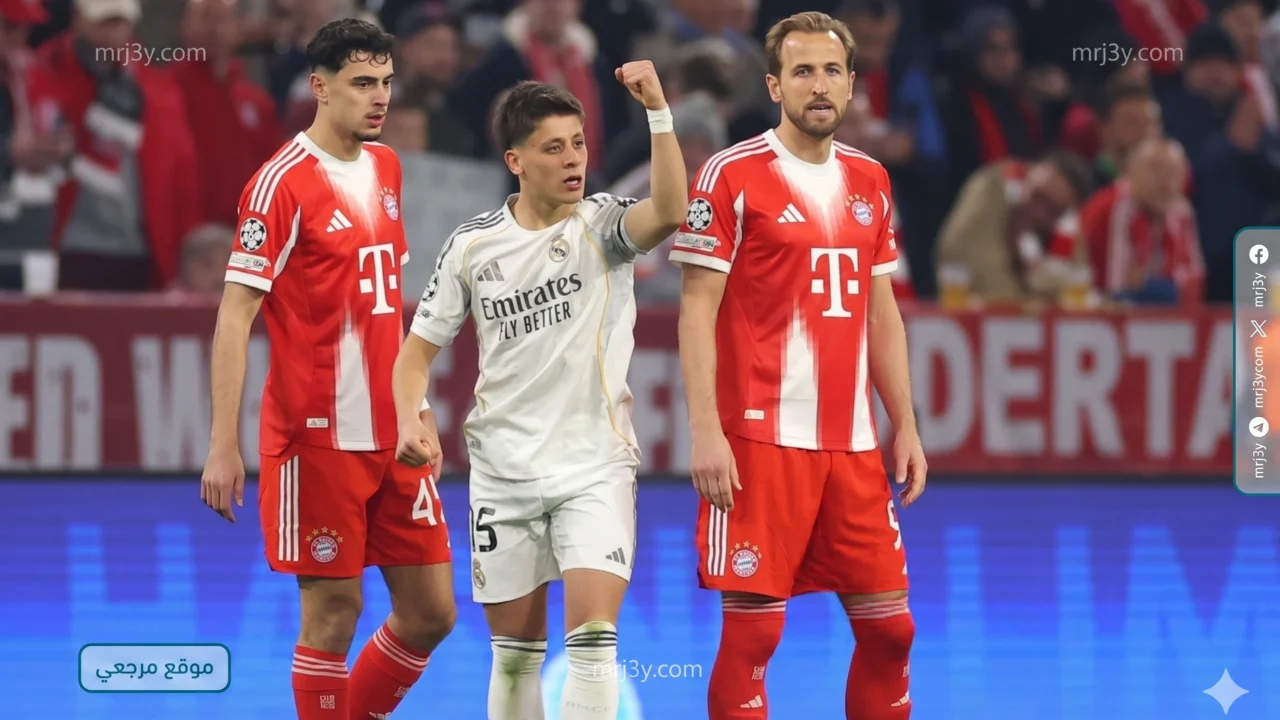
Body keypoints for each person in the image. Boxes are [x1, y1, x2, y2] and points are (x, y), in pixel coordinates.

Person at [392, 69, 688, 718]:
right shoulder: (472, 246)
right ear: (515, 161)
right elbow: (415, 355)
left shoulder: (603, 225)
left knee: (594, 643)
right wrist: (412, 416)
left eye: (578, 143)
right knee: (516, 656)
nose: (573, 159)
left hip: (594, 466)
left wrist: (659, 112)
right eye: (554, 147)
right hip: (503, 473)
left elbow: (669, 210)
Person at [670, 11, 927, 719]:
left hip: (852, 447)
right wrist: (706, 430)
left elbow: (881, 314)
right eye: (803, 71)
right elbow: (696, 309)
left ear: (851, 84)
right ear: (774, 86)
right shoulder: (731, 175)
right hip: (761, 443)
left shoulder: (871, 179)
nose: (819, 85)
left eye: (832, 71)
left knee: (892, 632)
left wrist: (904, 424)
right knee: (755, 638)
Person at [199, 19, 454, 720]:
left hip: (394, 435)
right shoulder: (279, 185)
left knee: (431, 612)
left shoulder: (387, 168)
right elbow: (235, 315)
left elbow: (389, 308)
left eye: (386, 82)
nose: (380, 98)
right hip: (318, 439)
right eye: (362, 83)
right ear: (320, 86)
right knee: (334, 613)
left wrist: (417, 408)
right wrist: (223, 444)